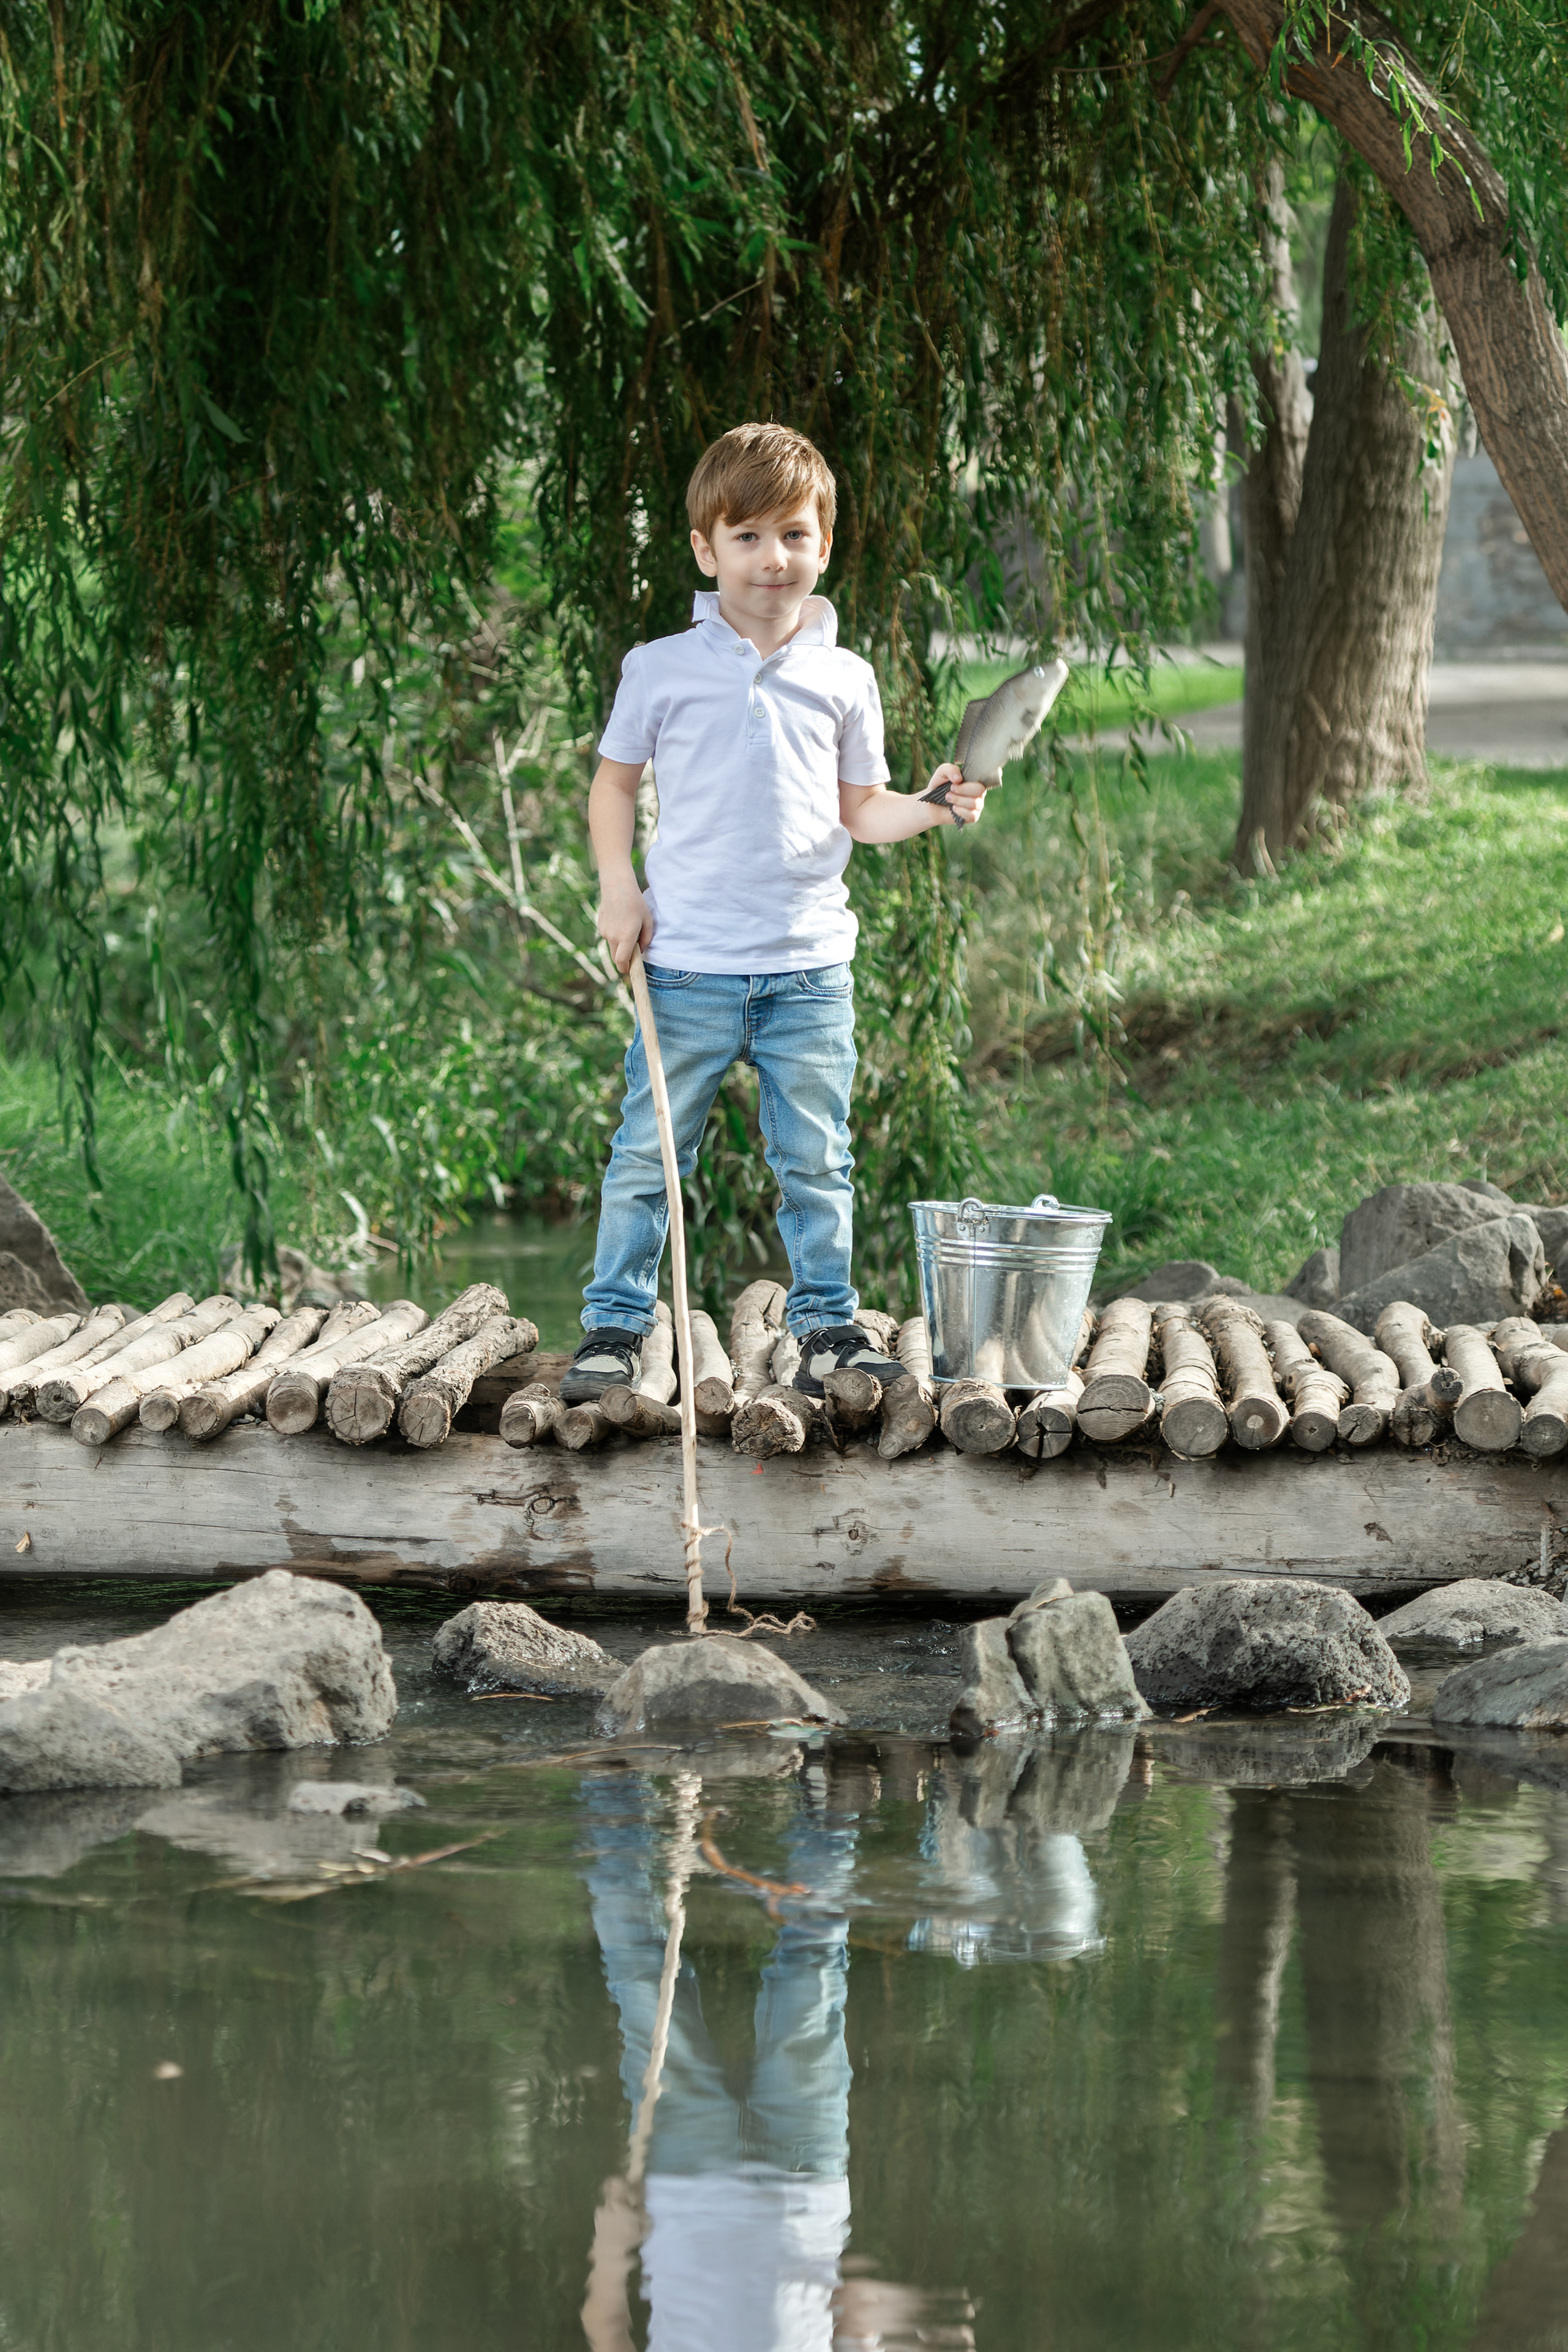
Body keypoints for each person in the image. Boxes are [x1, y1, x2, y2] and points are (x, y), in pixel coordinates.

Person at [560, 420, 989, 1406]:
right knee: (647, 1154)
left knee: (816, 1160)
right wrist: (617, 887)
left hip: (807, 969)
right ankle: (615, 1329)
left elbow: (860, 810)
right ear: (706, 551)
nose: (772, 557)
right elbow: (614, 786)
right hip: (688, 965)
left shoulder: (846, 678)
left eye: (794, 534)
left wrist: (929, 807)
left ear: (823, 546)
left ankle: (828, 1327)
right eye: (746, 536)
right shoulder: (660, 667)